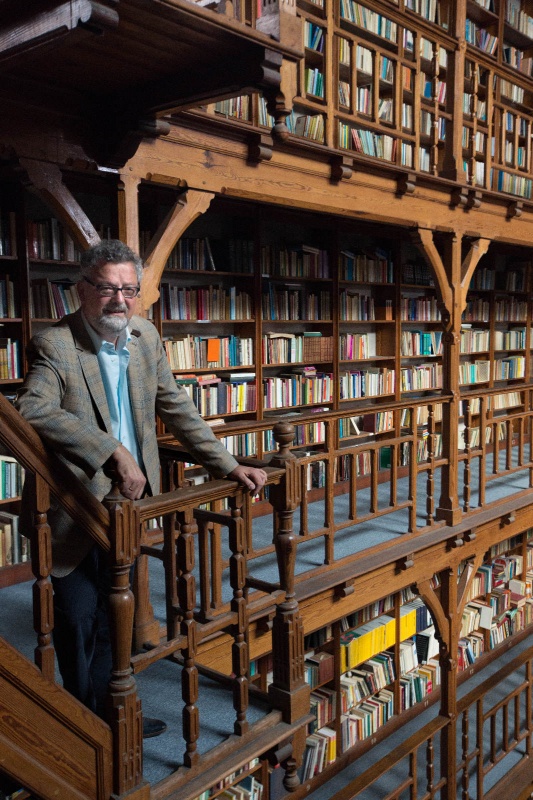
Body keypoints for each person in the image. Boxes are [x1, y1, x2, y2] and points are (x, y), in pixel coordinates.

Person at [15, 239, 267, 736]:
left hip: (129, 507)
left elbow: (175, 405)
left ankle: (112, 712)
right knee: (77, 620)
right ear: (83, 289)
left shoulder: (145, 336)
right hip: (74, 507)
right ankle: (82, 723)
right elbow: (32, 409)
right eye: (107, 288)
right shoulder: (55, 344)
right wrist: (112, 449)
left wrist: (227, 463)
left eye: (128, 290)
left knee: (116, 617)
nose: (119, 301)